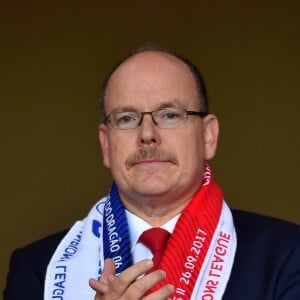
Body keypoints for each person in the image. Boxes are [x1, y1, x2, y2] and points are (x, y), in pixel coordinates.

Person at [4, 46, 300, 300]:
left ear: (208, 136)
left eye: (170, 115)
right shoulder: (37, 269)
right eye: (127, 118)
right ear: (106, 145)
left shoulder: (286, 254)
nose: (147, 134)